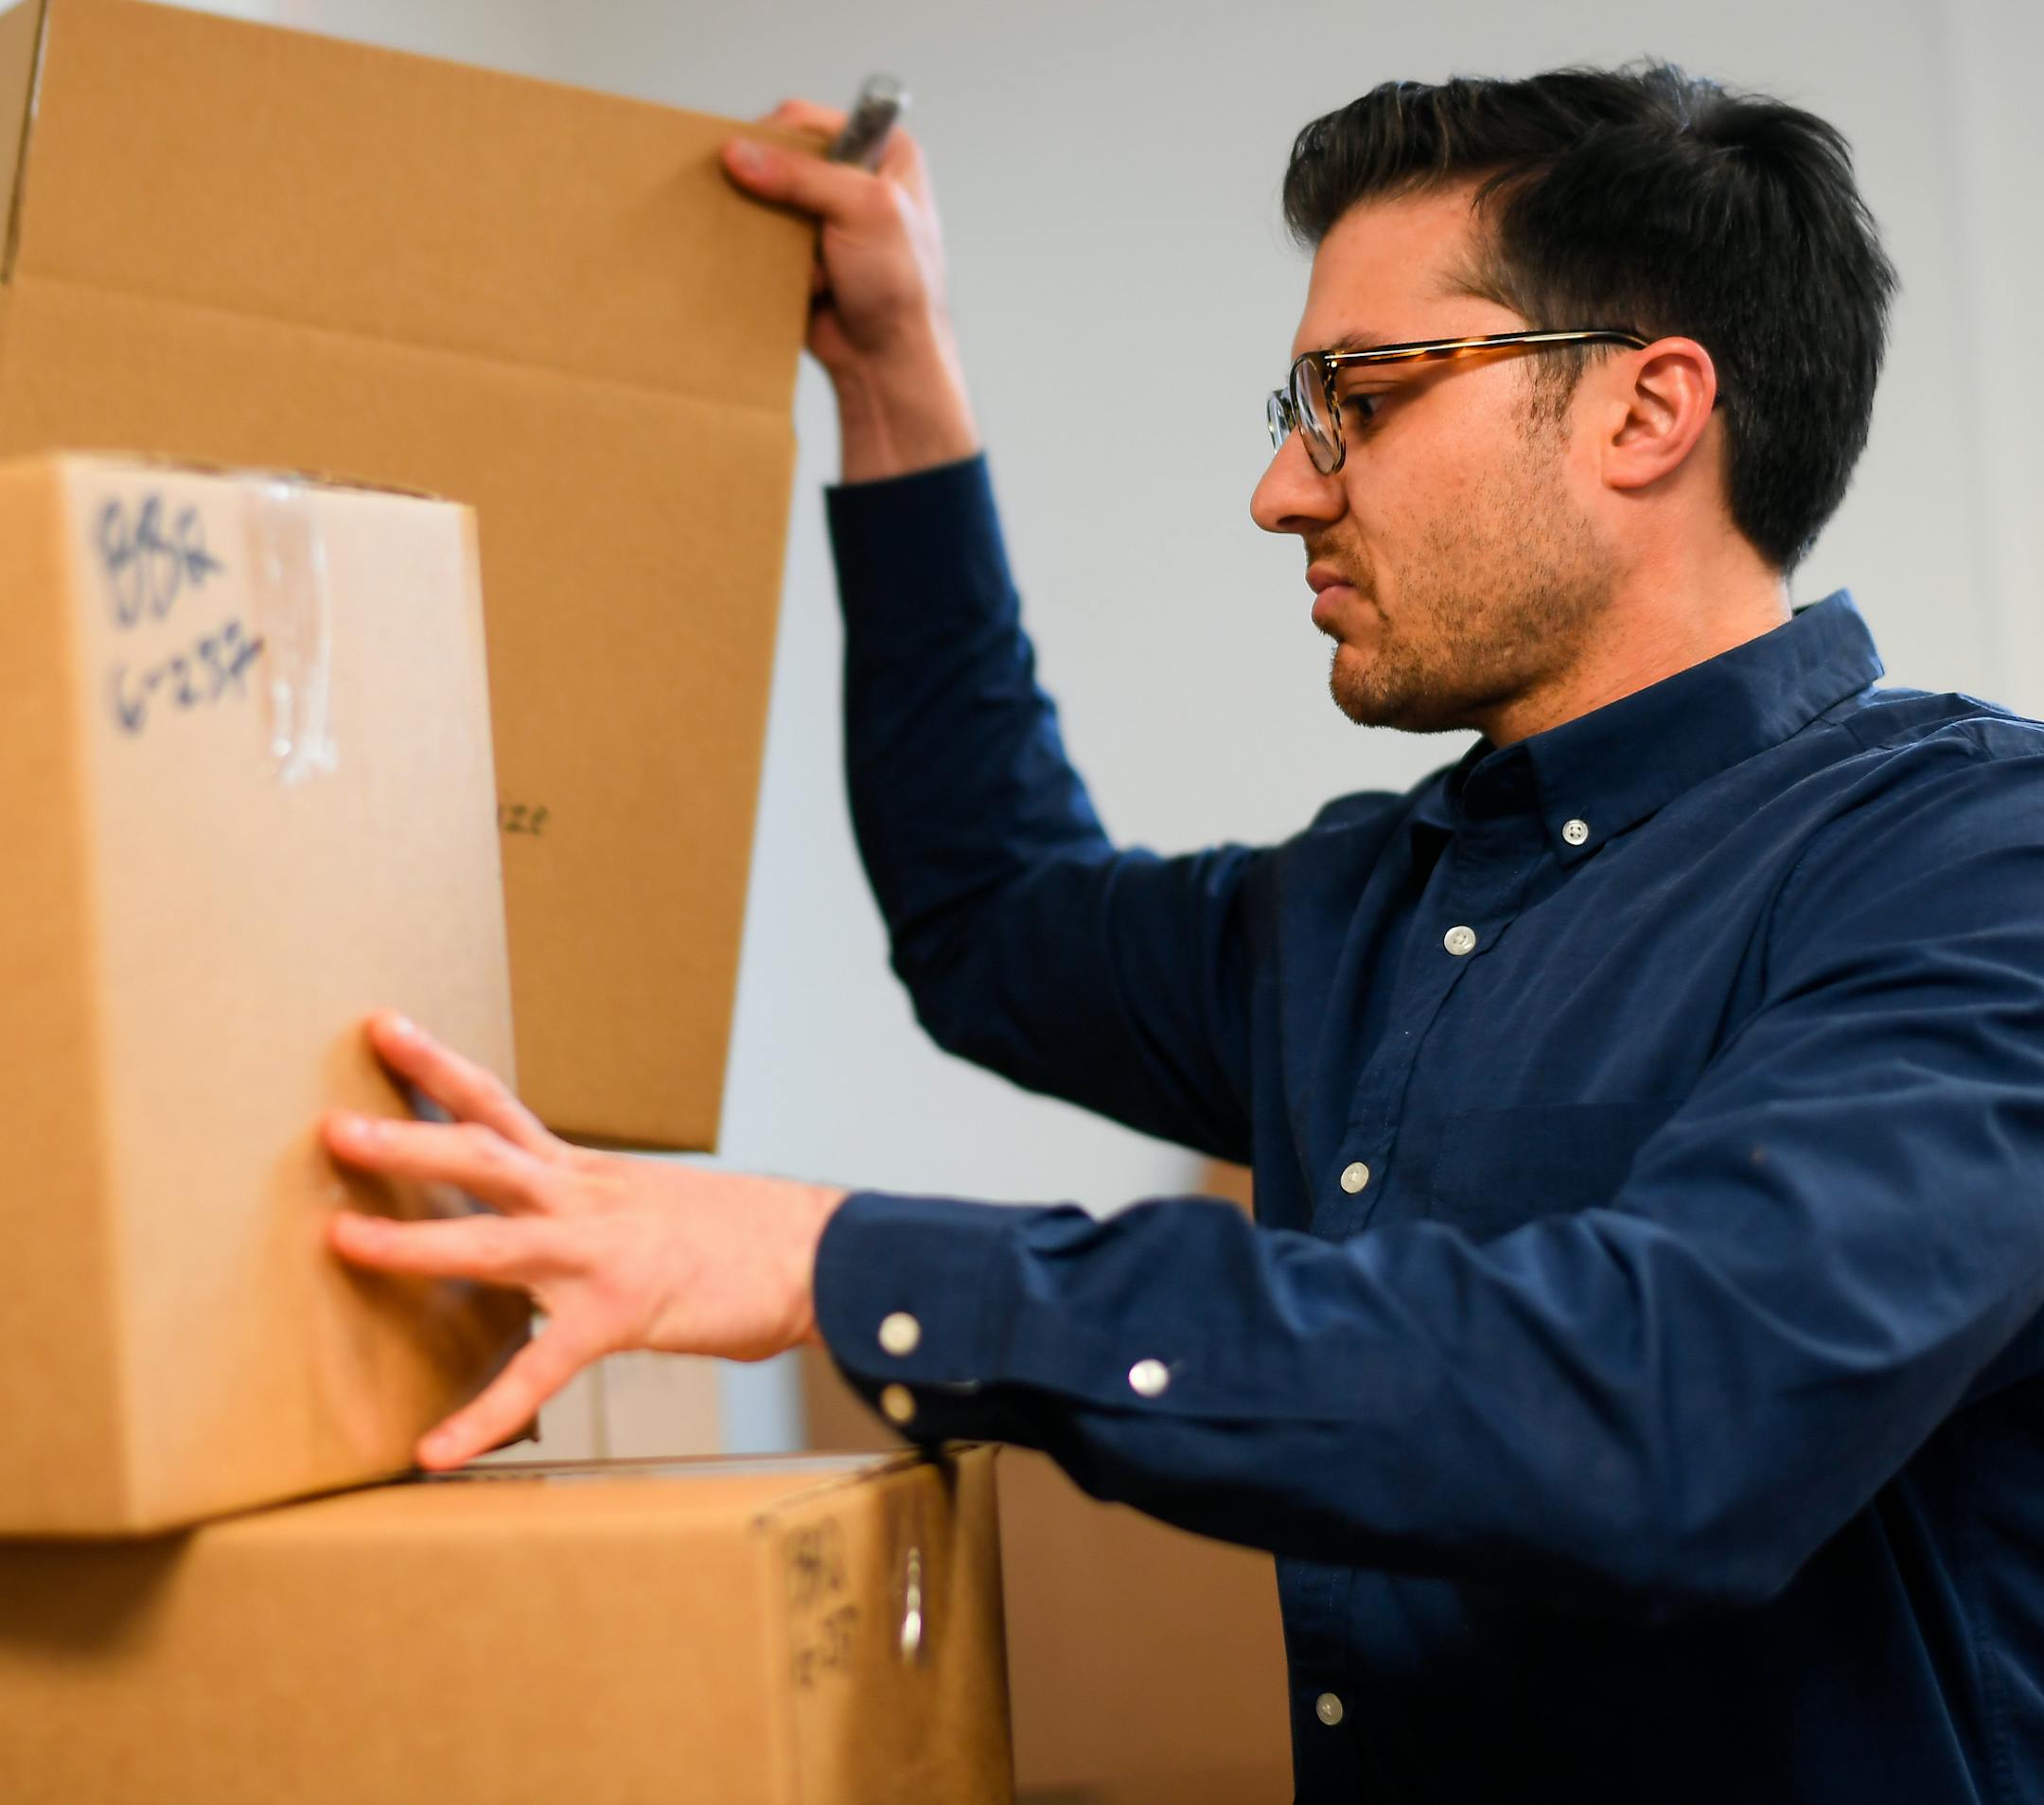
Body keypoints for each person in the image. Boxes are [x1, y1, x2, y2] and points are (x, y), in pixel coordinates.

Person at [320, 64, 2044, 1803]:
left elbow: (1672, 1406)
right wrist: (897, 388)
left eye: (1356, 397)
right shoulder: (1364, 907)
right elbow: (994, 921)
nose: (1285, 492)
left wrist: (839, 1261)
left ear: (1646, 411)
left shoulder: (1976, 856)